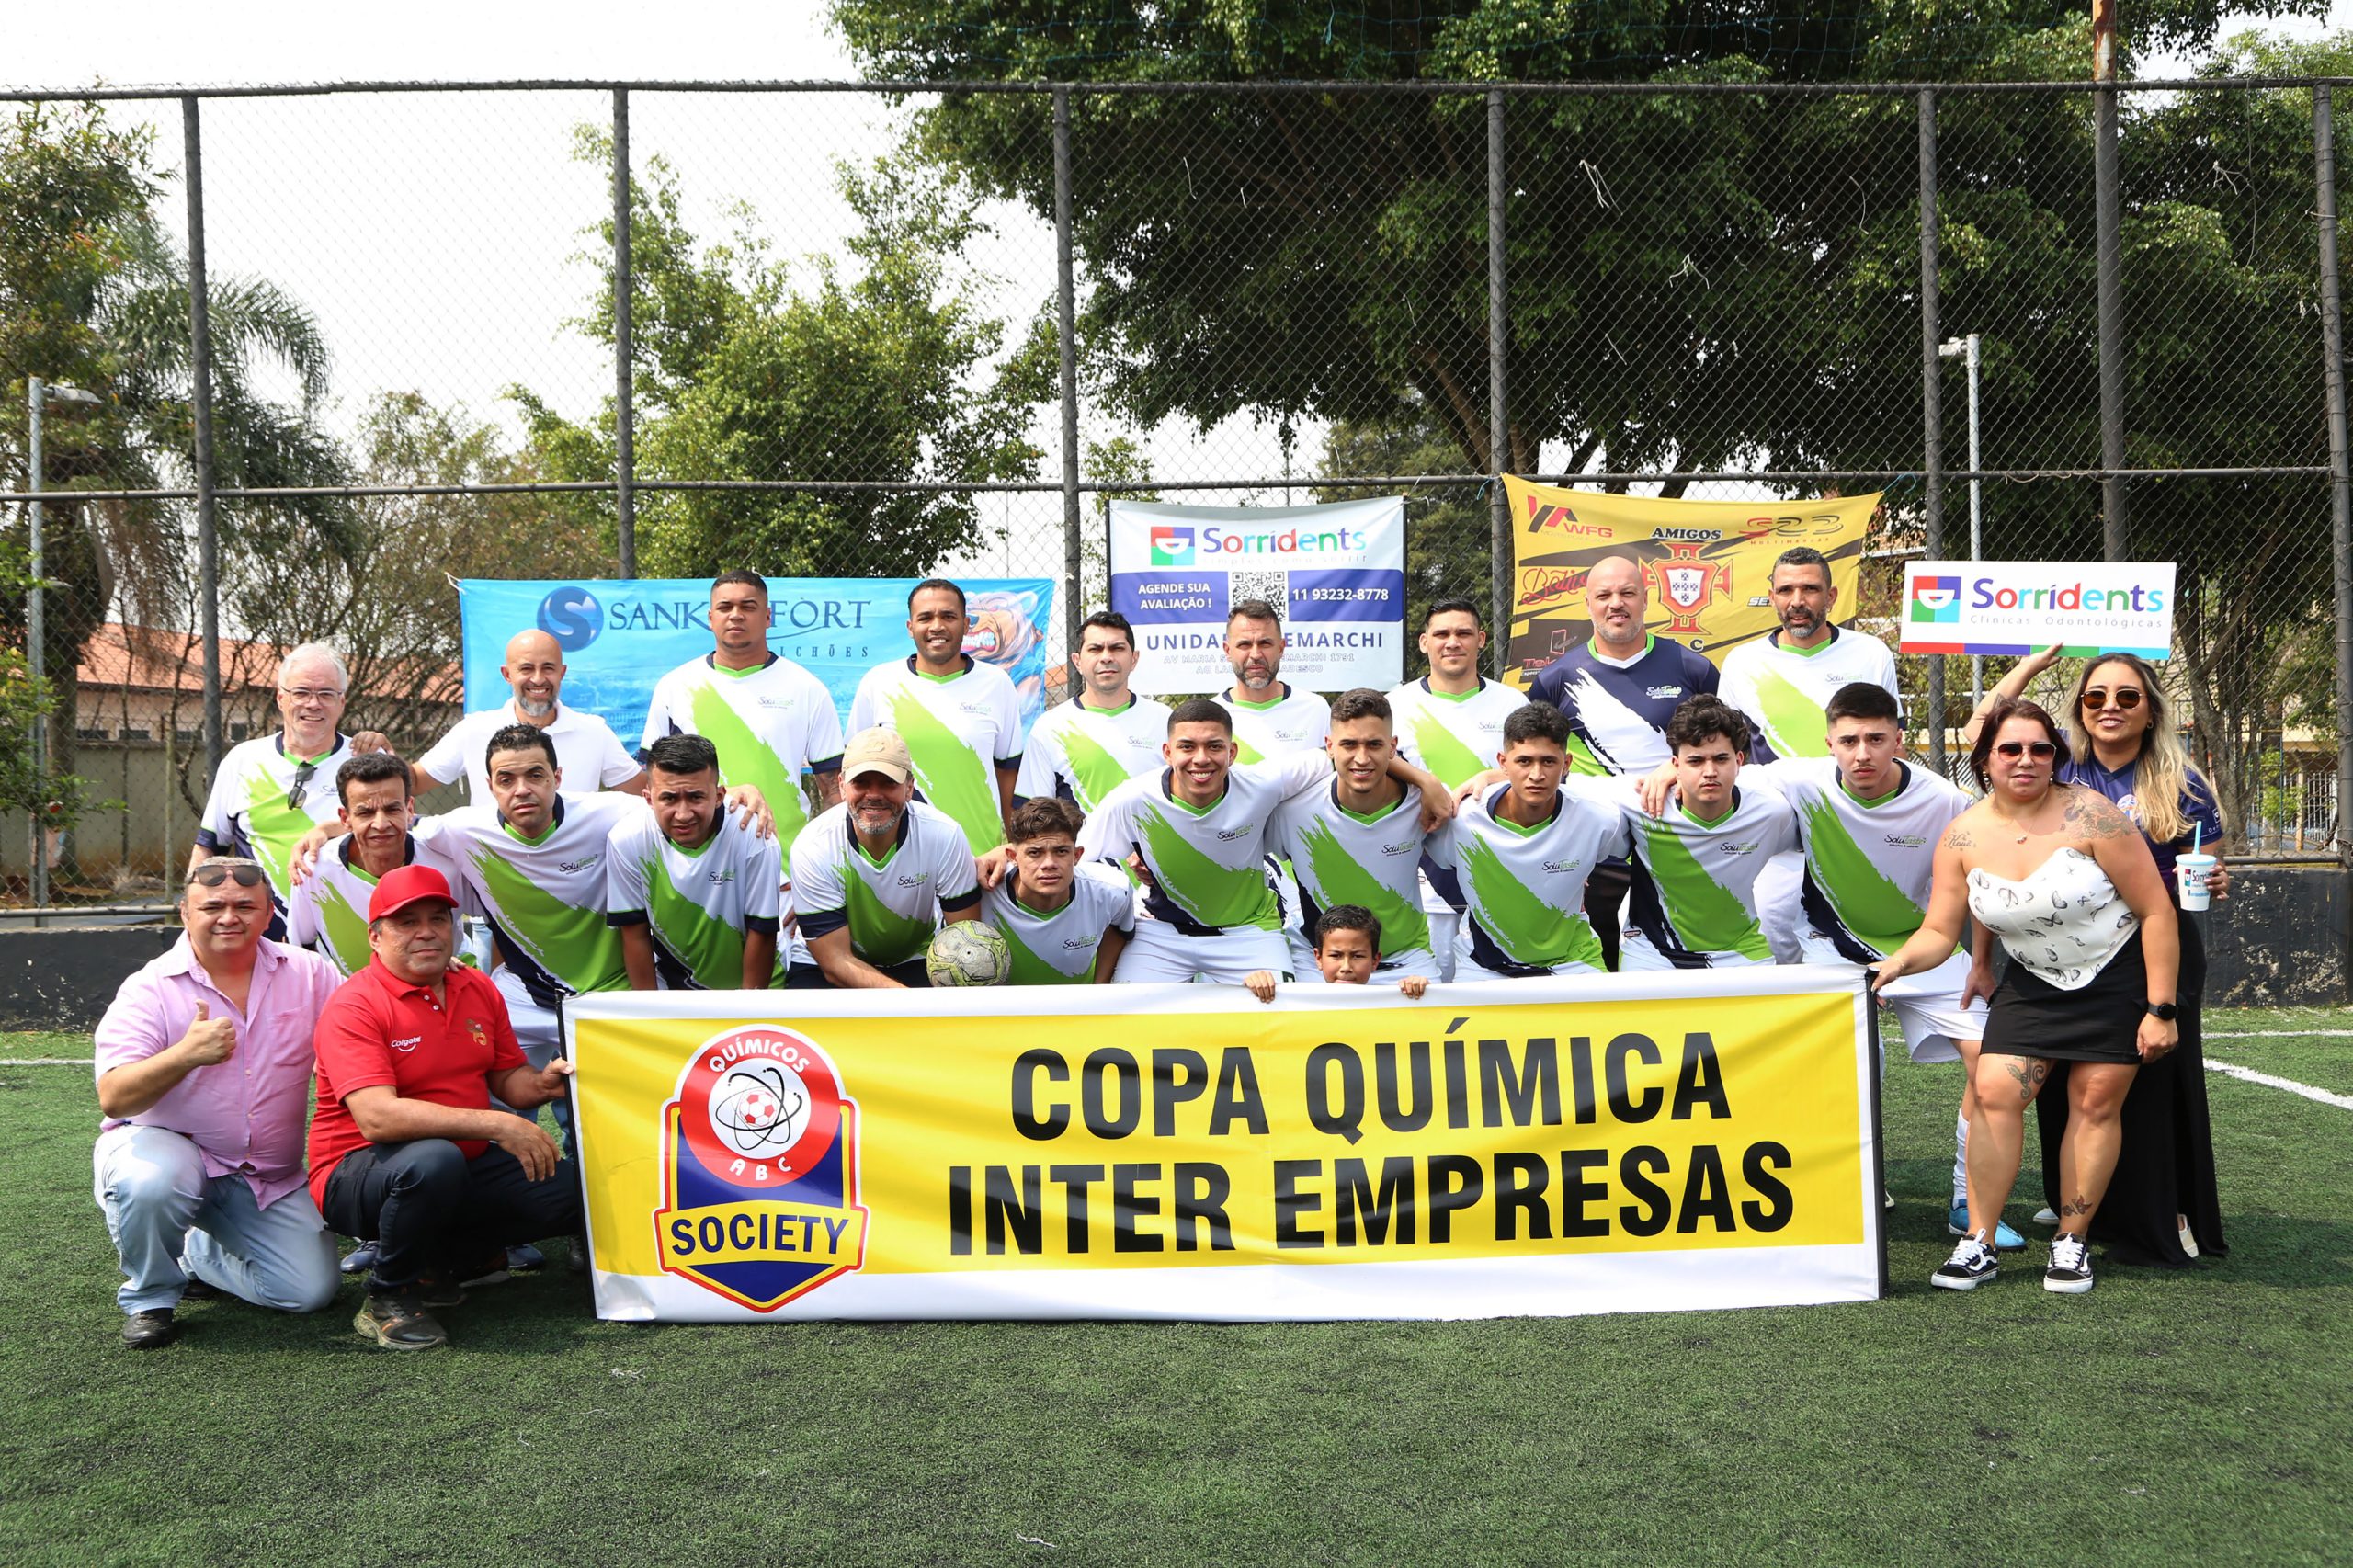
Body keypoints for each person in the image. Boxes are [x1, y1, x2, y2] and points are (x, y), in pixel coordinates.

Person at [1649, 683, 2007, 1245]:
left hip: (1924, 949)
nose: (1861, 753)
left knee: (1993, 1070)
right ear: (1829, 743)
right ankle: (1858, 1181)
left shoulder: (1945, 800)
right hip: (1832, 951)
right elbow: (1711, 765)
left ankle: (1970, 1198)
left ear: (1899, 741)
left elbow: (1979, 878)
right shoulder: (1796, 779)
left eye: (1875, 739)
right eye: (1848, 741)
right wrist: (1664, 773)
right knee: (1848, 1068)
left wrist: (1982, 962)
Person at [1876, 698, 2180, 1296]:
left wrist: (2160, 1008)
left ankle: (2071, 1243)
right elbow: (1940, 930)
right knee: (1994, 1091)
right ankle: (1979, 1242)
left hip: (2114, 978)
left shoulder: (2092, 817)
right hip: (2033, 983)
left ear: (2056, 757)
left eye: (2040, 748)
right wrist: (1896, 965)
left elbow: (2155, 911)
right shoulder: (1961, 834)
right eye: (2010, 749)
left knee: (2094, 1103)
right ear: (1986, 759)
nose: (2025, 759)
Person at [1970, 647, 2229, 1266]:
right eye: (2095, 697)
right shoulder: (2059, 768)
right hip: (2057, 944)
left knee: (2150, 1084)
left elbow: (2208, 864)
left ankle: (2159, 1213)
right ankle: (2080, 1212)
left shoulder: (2182, 779)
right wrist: (2029, 668)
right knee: (2062, 1089)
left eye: (2127, 697)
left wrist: (2217, 879)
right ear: (2078, 712)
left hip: (2152, 945)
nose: (2110, 707)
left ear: (2150, 711)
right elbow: (1987, 732)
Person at [309, 865, 583, 1349]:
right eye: (406, 922)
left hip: (457, 1163)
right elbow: (377, 1118)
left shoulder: (476, 986)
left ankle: (449, 1262)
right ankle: (387, 1296)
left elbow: (507, 1078)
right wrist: (496, 1123)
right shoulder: (354, 1005)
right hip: (356, 1173)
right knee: (435, 1160)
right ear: (374, 937)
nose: (426, 932)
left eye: (438, 918)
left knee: (575, 1190)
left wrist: (543, 1082)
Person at [91, 858, 342, 1348]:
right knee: (151, 1182)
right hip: (172, 1153)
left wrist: (426, 973)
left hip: (265, 1175)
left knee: (309, 1292)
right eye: (213, 906)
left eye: (246, 906)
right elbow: (115, 1095)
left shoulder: (311, 974)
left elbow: (364, 1023)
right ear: (185, 913)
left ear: (270, 913)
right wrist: (184, 1055)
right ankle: (152, 1298)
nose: (230, 917)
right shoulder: (149, 988)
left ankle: (198, 1254)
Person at [1524, 555, 1721, 969]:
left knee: (1673, 970)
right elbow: (1530, 756)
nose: (1617, 603)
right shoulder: (1556, 678)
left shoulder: (1691, 667)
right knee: (1595, 966)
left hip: (1672, 843)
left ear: (1646, 600)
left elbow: (1725, 746)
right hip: (1595, 851)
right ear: (1588, 603)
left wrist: (1676, 766)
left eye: (1627, 593)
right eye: (1605, 595)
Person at [1716, 546, 1900, 963]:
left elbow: (1891, 738)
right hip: (1778, 833)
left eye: (1810, 589)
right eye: (1786, 590)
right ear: (1772, 595)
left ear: (1831, 596)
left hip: (1852, 825)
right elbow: (1728, 751)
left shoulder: (1870, 653)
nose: (1797, 601)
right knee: (1772, 938)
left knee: (1855, 954)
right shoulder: (1743, 662)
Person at [192, 642, 392, 931]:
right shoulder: (242, 761)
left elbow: (400, 835)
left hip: (350, 933)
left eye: (326, 693)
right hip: (260, 937)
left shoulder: (369, 762)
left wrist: (328, 830)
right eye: (300, 692)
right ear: (280, 699)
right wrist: (196, 919)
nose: (313, 703)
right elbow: (208, 848)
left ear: (342, 702)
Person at [641, 569, 845, 849]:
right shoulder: (674, 687)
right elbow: (654, 783)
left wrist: (826, 855)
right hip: (695, 862)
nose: (736, 615)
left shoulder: (807, 689)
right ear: (711, 618)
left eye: (748, 607)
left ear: (768, 617)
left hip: (783, 866)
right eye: (725, 607)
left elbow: (832, 788)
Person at [1427, 702, 1629, 981]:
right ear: (1502, 762)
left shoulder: (1599, 818)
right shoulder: (1460, 819)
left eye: (1548, 761)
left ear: (1566, 763)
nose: (1537, 775)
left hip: (1574, 962)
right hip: (1483, 966)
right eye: (1524, 761)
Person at [1387, 598, 1528, 980]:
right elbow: (1371, 759)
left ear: (1481, 639)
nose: (1453, 642)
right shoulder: (1396, 704)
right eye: (1442, 634)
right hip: (1421, 874)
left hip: (1497, 871)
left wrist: (1492, 776)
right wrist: (1425, 780)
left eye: (1463, 633)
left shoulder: (1512, 702)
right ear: (1423, 642)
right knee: (1427, 995)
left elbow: (1541, 766)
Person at [1604, 695, 1796, 969]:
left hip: (1742, 952)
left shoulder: (1771, 811)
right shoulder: (1638, 802)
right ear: (1675, 765)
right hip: (1652, 954)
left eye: (1720, 759)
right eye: (1695, 761)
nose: (1709, 772)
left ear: (1739, 760)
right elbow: (1566, 801)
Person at [1270, 688, 1446, 983]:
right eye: (1349, 744)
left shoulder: (1424, 803)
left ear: (1393, 748)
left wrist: (1486, 777)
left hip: (1405, 960)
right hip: (1317, 962)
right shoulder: (1293, 810)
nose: (1361, 758)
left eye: (1374, 745)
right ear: (1329, 746)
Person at [786, 728, 983, 988]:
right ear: (843, 786)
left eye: (888, 782)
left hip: (915, 958)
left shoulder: (944, 835)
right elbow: (835, 962)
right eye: (861, 782)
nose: (874, 794)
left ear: (910, 787)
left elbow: (965, 942)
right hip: (826, 965)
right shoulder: (813, 846)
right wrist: (908, 1004)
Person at [847, 577, 1024, 855]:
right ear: (910, 627)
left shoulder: (997, 684)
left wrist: (1016, 847)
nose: (937, 626)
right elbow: (854, 774)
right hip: (897, 859)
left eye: (948, 616)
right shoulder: (879, 682)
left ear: (966, 625)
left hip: (977, 857)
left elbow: (1008, 774)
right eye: (925, 617)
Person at [608, 733, 783, 992]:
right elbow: (635, 934)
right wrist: (649, 1015)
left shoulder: (755, 837)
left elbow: (762, 932)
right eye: (669, 798)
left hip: (754, 989)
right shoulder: (627, 840)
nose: (683, 814)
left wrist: (749, 1010)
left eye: (696, 797)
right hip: (674, 991)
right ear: (648, 799)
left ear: (719, 795)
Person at [285, 751, 460, 980]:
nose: (380, 824)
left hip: (442, 986)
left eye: (392, 809)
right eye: (366, 812)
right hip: (354, 1001)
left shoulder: (445, 859)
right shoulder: (314, 868)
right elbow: (301, 948)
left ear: (409, 809)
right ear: (345, 818)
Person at [418, 629, 644, 804]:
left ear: (562, 672)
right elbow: (414, 781)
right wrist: (382, 753)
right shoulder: (473, 730)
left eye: (548, 668)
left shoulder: (595, 732)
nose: (538, 679)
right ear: (507, 674)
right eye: (526, 669)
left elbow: (646, 792)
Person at [1014, 610, 1171, 814]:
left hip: (1150, 847)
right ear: (1077, 661)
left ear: (1134, 659)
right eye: (1095, 649)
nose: (1106, 657)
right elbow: (1036, 813)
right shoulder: (1050, 727)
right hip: (1080, 847)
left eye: (1117, 648)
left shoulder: (1164, 720)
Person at [980, 798, 1133, 983]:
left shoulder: (1112, 890)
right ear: (1013, 857)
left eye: (1061, 851)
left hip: (1078, 1009)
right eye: (1035, 853)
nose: (1049, 864)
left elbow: (1119, 930)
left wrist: (1098, 990)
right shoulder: (982, 893)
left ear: (1077, 855)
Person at [1218, 598, 1331, 761]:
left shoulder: (1316, 710)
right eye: (1244, 644)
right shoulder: (1213, 715)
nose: (1255, 655)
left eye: (1265, 643)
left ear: (1281, 648)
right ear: (1228, 651)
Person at [1245, 905, 1433, 1001]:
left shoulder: (1399, 998)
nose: (1346, 967)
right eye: (1336, 955)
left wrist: (1419, 988)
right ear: (1318, 958)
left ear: (1376, 960)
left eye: (1358, 956)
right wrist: (1257, 982)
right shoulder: (1296, 998)